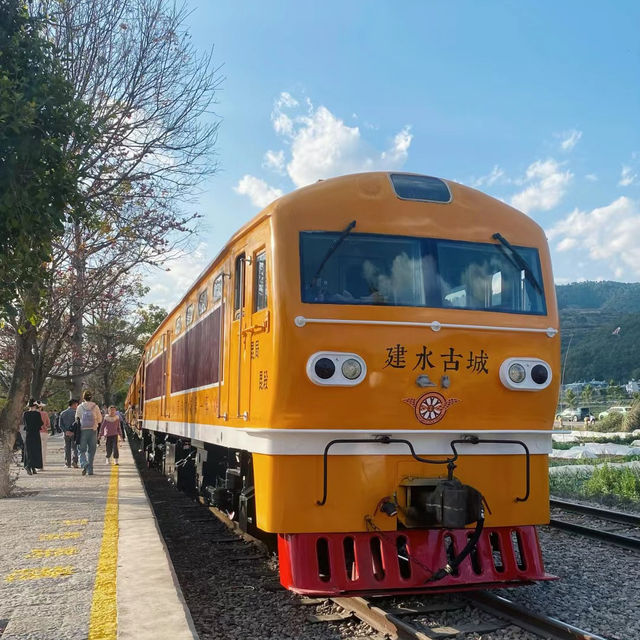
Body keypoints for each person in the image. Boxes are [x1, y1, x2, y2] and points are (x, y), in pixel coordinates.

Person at [75, 391, 102, 476]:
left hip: (83, 430)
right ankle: (90, 470)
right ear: (91, 397)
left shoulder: (80, 407)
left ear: (83, 398)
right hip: (93, 430)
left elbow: (76, 418)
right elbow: (100, 419)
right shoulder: (95, 406)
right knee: (91, 450)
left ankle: (84, 463)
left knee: (81, 450)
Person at [22, 399, 44, 475]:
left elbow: (25, 423)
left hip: (28, 434)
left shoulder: (25, 414)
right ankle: (33, 467)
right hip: (36, 434)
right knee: (35, 450)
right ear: (35, 406)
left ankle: (28, 465)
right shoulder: (37, 414)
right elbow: (41, 423)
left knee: (28, 450)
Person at [59, 399, 80, 468]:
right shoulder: (76, 413)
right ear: (73, 404)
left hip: (66, 433)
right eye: (76, 405)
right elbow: (78, 424)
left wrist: (65, 431)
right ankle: (75, 461)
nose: (77, 406)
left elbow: (60, 424)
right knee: (75, 448)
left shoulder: (63, 413)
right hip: (74, 433)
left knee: (67, 448)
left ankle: (67, 463)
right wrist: (73, 431)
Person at [37, 402, 50, 470]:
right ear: (41, 407)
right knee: (43, 449)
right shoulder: (45, 413)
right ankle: (42, 465)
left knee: (37, 449)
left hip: (36, 433)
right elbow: (48, 424)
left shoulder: (34, 414)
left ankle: (37, 465)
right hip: (44, 432)